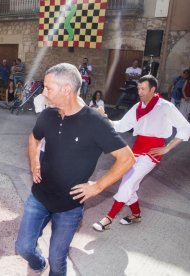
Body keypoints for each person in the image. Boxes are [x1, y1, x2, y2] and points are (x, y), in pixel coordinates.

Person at [15, 63, 135, 275]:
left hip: (69, 206)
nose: (43, 92)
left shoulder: (95, 122)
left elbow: (127, 158)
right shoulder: (47, 116)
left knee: (57, 259)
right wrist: (34, 163)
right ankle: (37, 264)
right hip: (39, 196)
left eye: (48, 88)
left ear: (67, 90)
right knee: (23, 247)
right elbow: (33, 139)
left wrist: (98, 187)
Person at [93, 75, 190, 232]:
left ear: (153, 89)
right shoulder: (137, 107)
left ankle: (109, 218)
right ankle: (136, 215)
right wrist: (105, 118)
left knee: (128, 183)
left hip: (152, 152)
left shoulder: (165, 106)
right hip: (136, 150)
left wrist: (168, 148)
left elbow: (185, 127)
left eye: (143, 89)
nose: (139, 92)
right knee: (130, 183)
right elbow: (121, 126)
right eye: (138, 88)